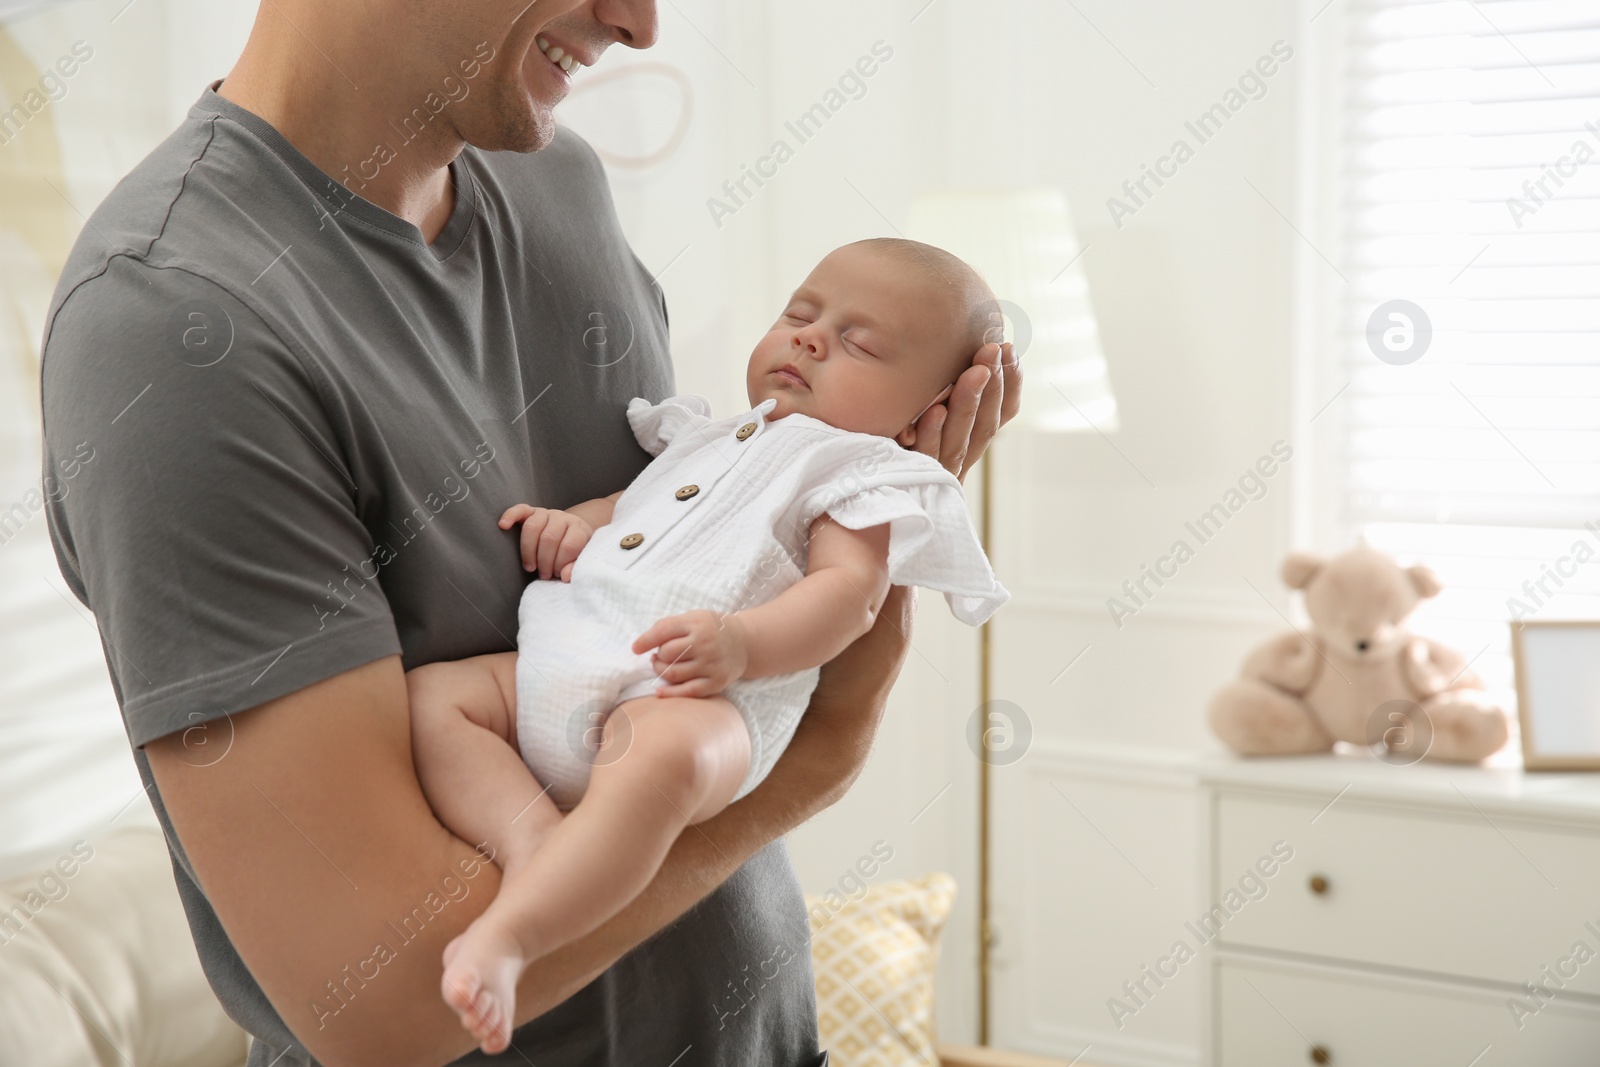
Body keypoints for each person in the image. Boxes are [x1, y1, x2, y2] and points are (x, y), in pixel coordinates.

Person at [39, 2, 1019, 1065]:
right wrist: (822, 749)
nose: (638, 24)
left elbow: (678, 544)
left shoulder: (557, 186)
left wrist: (852, 494)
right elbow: (387, 999)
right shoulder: (173, 325)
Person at [408, 238, 1012, 1052]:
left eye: (859, 342)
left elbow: (848, 595)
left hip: (698, 698)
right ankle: (533, 844)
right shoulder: (713, 437)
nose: (809, 337)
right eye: (801, 314)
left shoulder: (863, 473)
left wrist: (742, 643)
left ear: (923, 411)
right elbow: (636, 505)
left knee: (669, 757)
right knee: (437, 699)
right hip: (569, 656)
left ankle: (512, 936)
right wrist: (576, 524)